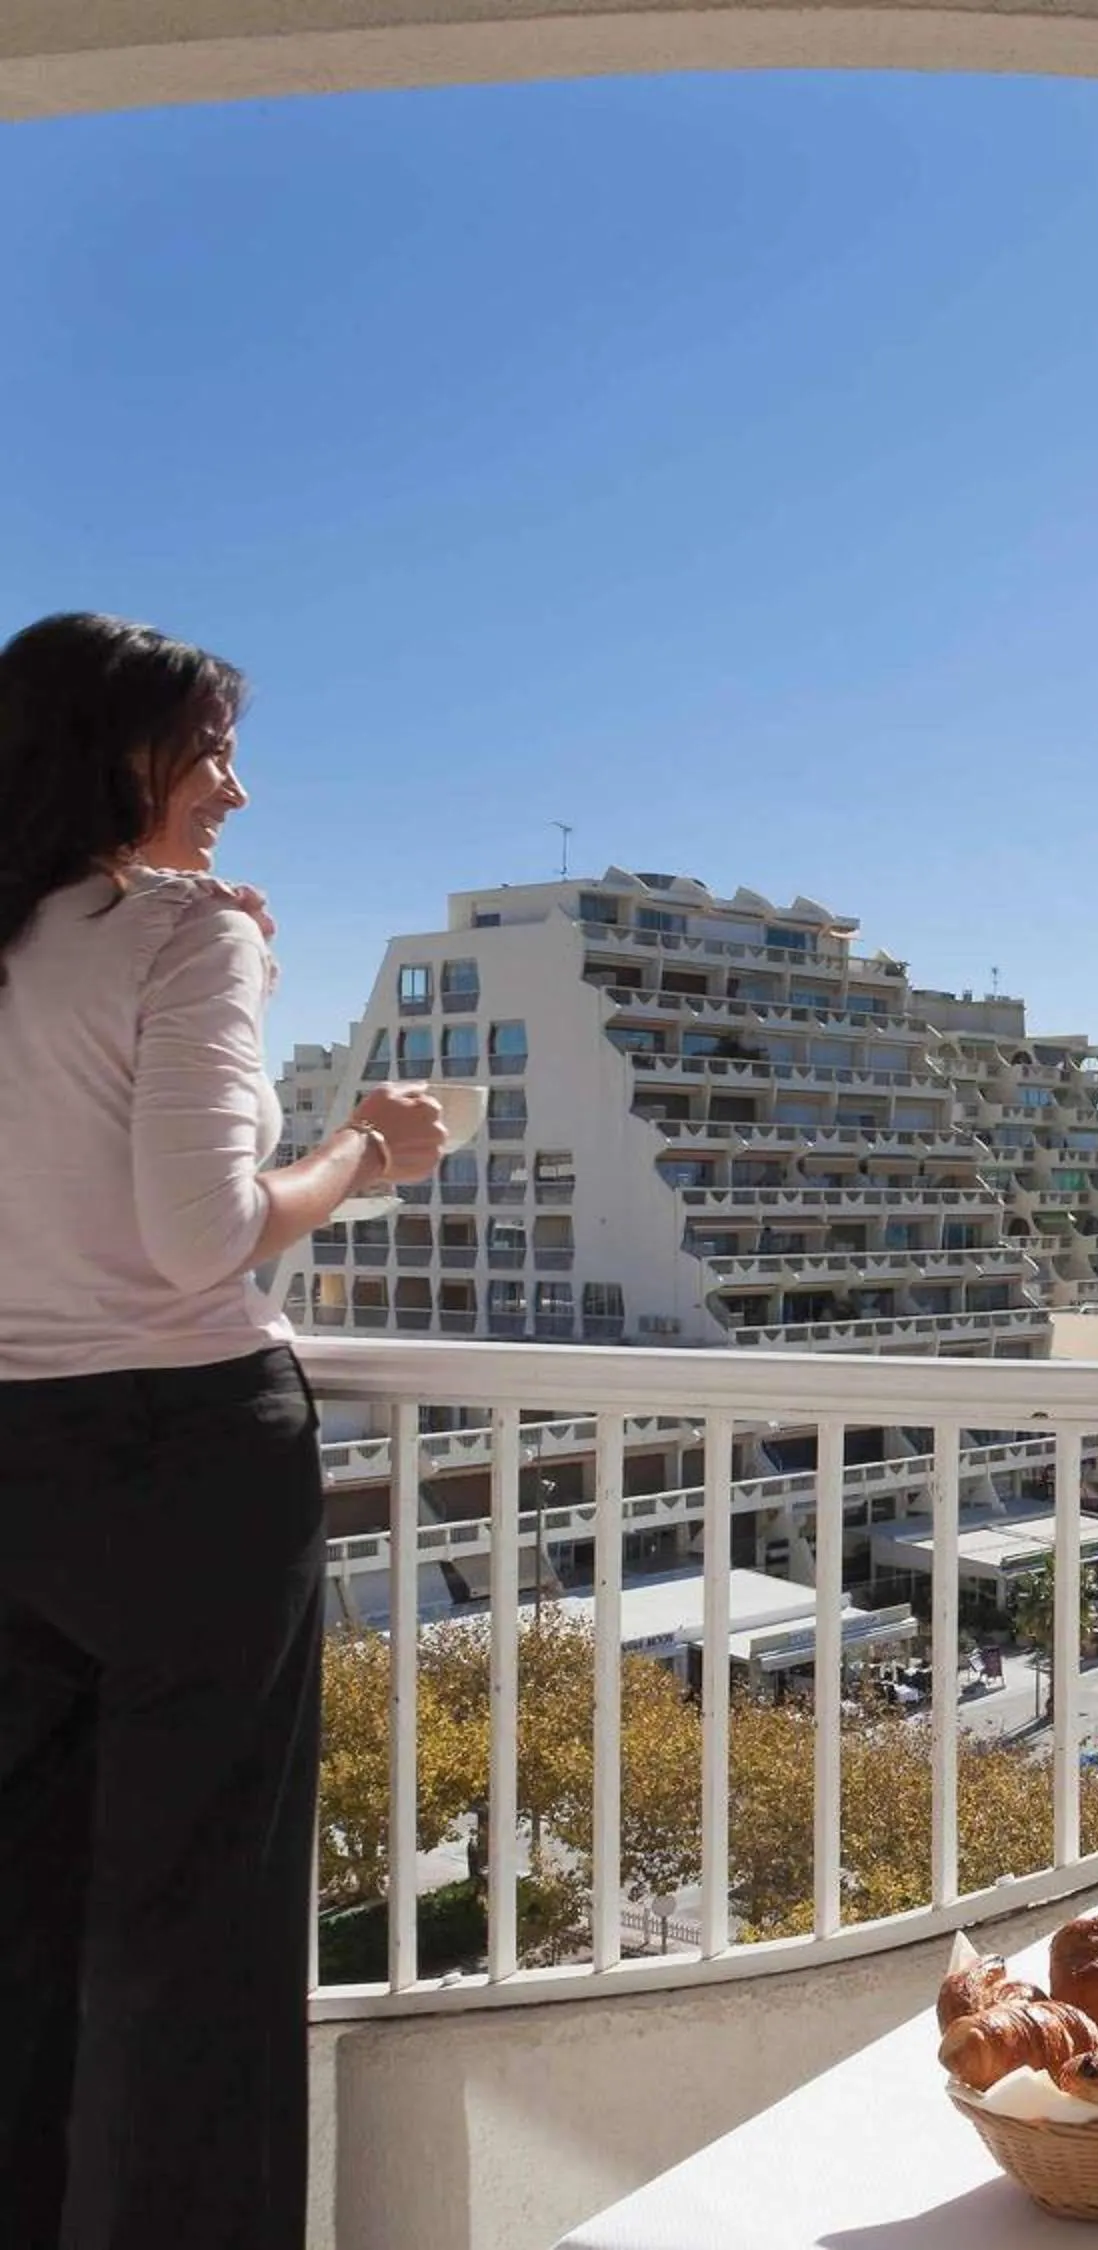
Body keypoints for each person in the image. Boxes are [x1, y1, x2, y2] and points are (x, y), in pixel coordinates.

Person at [0, 614, 448, 2250]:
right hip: (182, 1465)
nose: (236, 790)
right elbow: (200, 1234)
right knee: (198, 1947)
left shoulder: (46, 933)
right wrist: (367, 1151)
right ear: (119, 755)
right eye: (211, 754)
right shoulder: (185, 935)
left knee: (24, 1931)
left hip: (12, 1463)